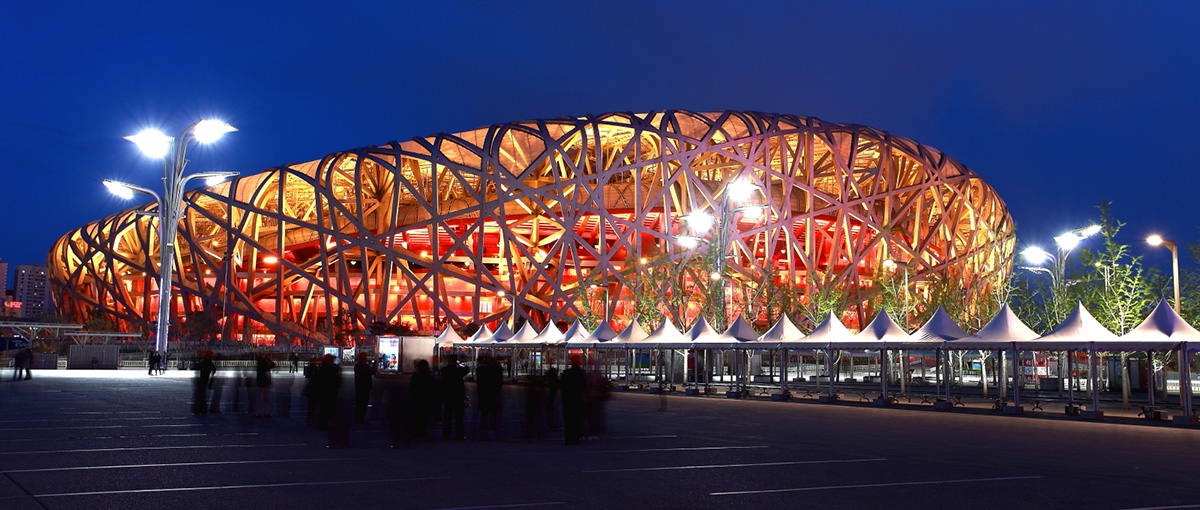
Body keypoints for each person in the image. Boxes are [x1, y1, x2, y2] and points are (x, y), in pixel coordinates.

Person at [475, 355, 504, 440]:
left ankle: (483, 429)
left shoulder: (482, 370)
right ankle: (492, 428)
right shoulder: (494, 371)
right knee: (492, 413)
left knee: (484, 414)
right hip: (492, 394)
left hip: (484, 394)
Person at [560, 355, 587, 445]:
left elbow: (562, 385)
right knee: (577, 419)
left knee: (568, 420)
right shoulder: (582, 373)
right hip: (578, 400)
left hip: (568, 400)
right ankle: (576, 438)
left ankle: (568, 438)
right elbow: (584, 386)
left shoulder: (566, 373)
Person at [441, 355, 467, 440]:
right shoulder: (459, 370)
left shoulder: (444, 370)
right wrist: (460, 364)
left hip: (448, 394)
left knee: (447, 416)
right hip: (458, 395)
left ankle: (446, 434)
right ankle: (460, 434)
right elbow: (466, 369)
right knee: (459, 416)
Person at [314, 354, 342, 430]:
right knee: (325, 408)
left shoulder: (324, 368)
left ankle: (323, 423)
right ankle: (323, 424)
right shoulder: (328, 369)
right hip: (327, 392)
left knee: (324, 408)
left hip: (325, 392)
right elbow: (334, 381)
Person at [409, 359, 435, 439]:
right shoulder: (429, 376)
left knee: (417, 416)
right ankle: (422, 432)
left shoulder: (416, 375)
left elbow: (412, 387)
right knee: (425, 416)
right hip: (426, 399)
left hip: (417, 398)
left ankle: (416, 432)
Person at [353, 352, 376, 424]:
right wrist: (374, 365)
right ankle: (360, 419)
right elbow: (373, 372)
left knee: (359, 404)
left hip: (359, 386)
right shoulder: (365, 365)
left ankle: (357, 418)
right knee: (363, 403)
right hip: (365, 387)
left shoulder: (357, 365)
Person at [254, 352, 276, 417]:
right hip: (264, 382)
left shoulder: (260, 363)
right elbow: (272, 366)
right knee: (266, 398)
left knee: (260, 399)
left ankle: (258, 412)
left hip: (261, 382)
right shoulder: (264, 364)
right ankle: (266, 412)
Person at [194, 351, 216, 416]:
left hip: (203, 380)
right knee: (202, 396)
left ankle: (201, 411)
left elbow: (198, 366)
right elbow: (214, 370)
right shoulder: (209, 362)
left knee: (201, 396)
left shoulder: (205, 362)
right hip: (205, 380)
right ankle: (203, 411)